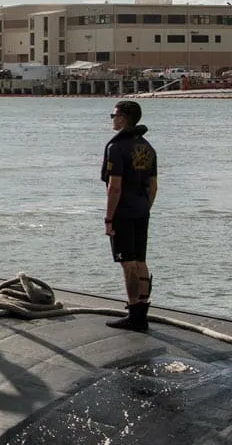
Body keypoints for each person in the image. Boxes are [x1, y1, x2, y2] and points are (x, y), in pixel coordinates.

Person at [102, 99, 158, 331]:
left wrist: (108, 218)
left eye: (114, 115)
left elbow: (114, 187)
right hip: (142, 209)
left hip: (123, 212)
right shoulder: (147, 147)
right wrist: (145, 208)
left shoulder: (116, 148)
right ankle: (143, 310)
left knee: (128, 263)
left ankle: (134, 312)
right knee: (141, 260)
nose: (112, 119)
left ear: (124, 118)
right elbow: (153, 187)